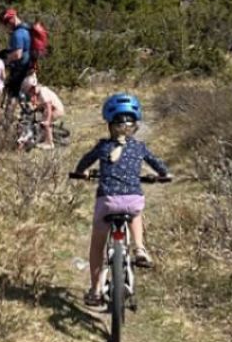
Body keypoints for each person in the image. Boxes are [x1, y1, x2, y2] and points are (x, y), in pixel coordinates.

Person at [69, 93, 172, 308]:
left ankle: (96, 291)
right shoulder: (139, 147)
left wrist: (81, 173)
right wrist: (163, 175)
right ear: (135, 125)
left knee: (97, 247)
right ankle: (140, 248)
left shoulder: (102, 147)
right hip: (132, 199)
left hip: (107, 201)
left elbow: (84, 162)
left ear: (110, 125)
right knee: (135, 212)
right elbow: (160, 166)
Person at [0, 7, 33, 109]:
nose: (6, 25)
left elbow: (18, 54)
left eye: (6, 22)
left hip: (20, 70)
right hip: (28, 67)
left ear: (12, 18)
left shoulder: (18, 33)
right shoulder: (27, 29)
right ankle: (29, 118)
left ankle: (7, 121)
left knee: (13, 95)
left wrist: (5, 60)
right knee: (26, 96)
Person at [22, 74, 64, 149]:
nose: (29, 94)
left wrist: (47, 121)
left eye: (29, 91)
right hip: (53, 108)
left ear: (32, 88)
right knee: (42, 119)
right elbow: (41, 104)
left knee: (45, 121)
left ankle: (50, 143)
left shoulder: (43, 92)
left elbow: (48, 106)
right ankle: (45, 138)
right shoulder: (39, 92)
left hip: (57, 109)